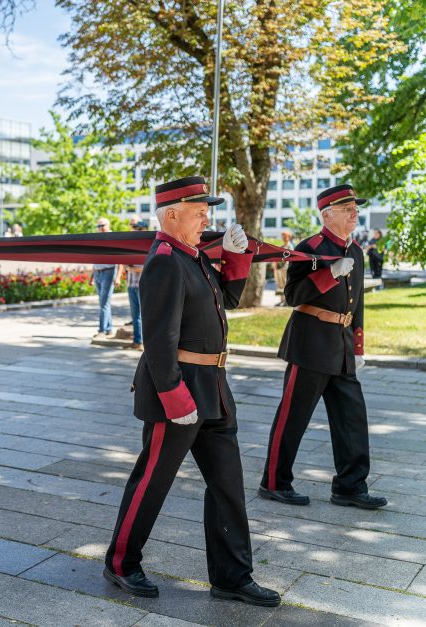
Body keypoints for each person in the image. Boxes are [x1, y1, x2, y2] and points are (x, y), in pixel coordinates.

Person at [103, 176, 280, 607]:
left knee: (228, 485)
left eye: (207, 210)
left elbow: (228, 300)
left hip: (214, 389)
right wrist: (174, 396)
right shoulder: (165, 260)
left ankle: (232, 576)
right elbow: (158, 340)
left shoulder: (193, 257)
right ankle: (121, 562)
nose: (206, 218)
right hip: (179, 389)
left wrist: (237, 257)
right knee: (153, 480)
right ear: (173, 214)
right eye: (200, 210)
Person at [259, 184, 386, 510]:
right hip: (311, 343)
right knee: (293, 417)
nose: (354, 213)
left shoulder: (356, 250)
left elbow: (357, 304)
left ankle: (350, 486)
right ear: (327, 214)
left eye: (355, 208)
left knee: (352, 418)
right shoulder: (310, 248)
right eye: (347, 209)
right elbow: (293, 296)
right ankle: (274, 482)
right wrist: (329, 273)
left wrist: (358, 345)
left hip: (341, 345)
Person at [91, 217, 118, 339]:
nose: (100, 228)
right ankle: (109, 329)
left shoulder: (113, 238)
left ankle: (102, 330)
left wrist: (117, 277)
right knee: (104, 303)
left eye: (102, 225)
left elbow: (120, 259)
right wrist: (92, 276)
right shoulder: (96, 238)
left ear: (109, 225)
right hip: (97, 272)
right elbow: (94, 258)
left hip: (109, 271)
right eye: (98, 226)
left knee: (103, 303)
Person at [124, 219, 146, 349]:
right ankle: (137, 342)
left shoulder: (146, 246)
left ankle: (143, 343)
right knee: (135, 315)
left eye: (136, 227)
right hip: (131, 284)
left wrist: (130, 268)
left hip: (141, 285)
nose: (133, 229)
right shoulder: (132, 245)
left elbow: (146, 267)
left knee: (143, 315)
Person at [273, 230, 295, 306]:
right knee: (280, 284)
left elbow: (288, 258)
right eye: (282, 236)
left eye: (285, 236)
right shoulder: (282, 246)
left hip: (285, 268)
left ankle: (286, 301)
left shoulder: (290, 246)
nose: (283, 238)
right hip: (279, 268)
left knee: (285, 284)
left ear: (288, 237)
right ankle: (281, 300)